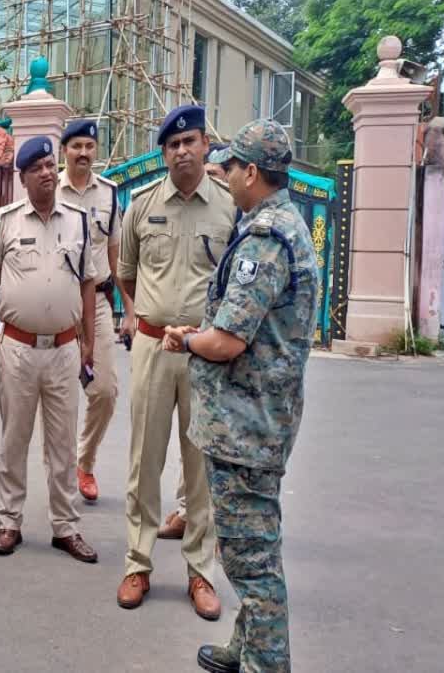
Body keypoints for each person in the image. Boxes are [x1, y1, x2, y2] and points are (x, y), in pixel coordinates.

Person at [163, 120, 318, 673]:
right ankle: (248, 646)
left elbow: (227, 341)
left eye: (229, 167)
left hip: (245, 426)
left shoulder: (265, 239)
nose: (222, 175)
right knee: (251, 546)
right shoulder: (282, 224)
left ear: (252, 171)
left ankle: (267, 664)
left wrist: (186, 338)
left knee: (251, 559)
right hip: (256, 419)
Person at [114, 105, 237, 621]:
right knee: (144, 458)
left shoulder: (230, 208)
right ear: (163, 153)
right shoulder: (141, 207)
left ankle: (201, 573)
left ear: (206, 145)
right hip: (152, 348)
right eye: (173, 144)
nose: (182, 151)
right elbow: (124, 274)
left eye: (190, 141)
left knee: (200, 464)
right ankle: (137, 563)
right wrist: (149, 318)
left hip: (206, 355)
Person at [0, 136, 99, 563]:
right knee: (14, 440)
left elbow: (88, 282)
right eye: (38, 168)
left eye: (51, 165)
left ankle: (65, 527)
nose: (48, 173)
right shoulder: (6, 220)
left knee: (63, 443)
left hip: (66, 349)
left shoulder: (79, 220)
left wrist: (89, 341)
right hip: (18, 348)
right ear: (24, 178)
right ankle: (9, 521)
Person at [57, 119, 133, 503]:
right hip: (59, 304)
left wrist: (131, 310)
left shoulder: (111, 194)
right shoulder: (49, 189)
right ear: (64, 151)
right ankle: (59, 469)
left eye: (89, 146)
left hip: (99, 304)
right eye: (77, 147)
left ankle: (84, 462)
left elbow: (117, 258)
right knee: (57, 393)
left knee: (104, 391)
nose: (84, 153)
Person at [160, 141, 233, 542]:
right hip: (179, 340)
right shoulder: (153, 205)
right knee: (191, 439)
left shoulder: (235, 214)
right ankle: (190, 512)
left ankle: (213, 526)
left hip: (219, 341)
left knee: (211, 439)